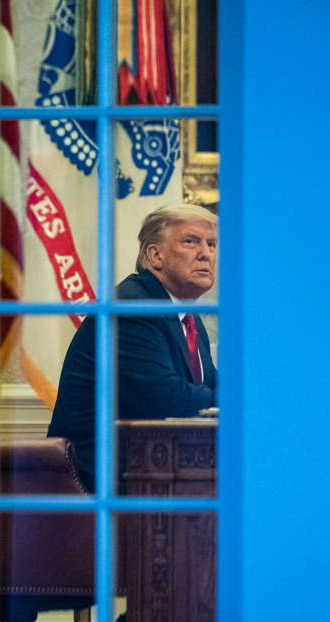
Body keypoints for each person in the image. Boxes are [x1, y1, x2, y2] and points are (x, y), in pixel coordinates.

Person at [47, 203, 218, 491]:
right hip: (103, 484)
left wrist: (254, 396)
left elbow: (210, 385)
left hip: (155, 470)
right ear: (155, 255)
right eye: (191, 241)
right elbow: (168, 400)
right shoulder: (132, 307)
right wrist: (241, 402)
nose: (206, 253)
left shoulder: (187, 316)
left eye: (211, 244)